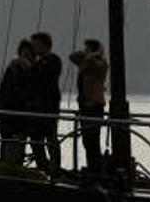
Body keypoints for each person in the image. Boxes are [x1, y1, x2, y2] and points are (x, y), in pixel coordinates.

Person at [69, 39, 108, 171]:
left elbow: (95, 65)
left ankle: (96, 168)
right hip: (85, 105)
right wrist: (88, 55)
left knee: (93, 139)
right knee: (87, 140)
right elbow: (72, 56)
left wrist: (94, 55)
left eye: (87, 49)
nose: (85, 52)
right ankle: (92, 166)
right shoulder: (86, 62)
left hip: (94, 105)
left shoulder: (100, 63)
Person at [29, 32, 63, 173]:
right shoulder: (38, 62)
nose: (33, 49)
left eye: (35, 45)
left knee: (50, 138)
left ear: (43, 45)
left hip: (48, 106)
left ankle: (54, 167)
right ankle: (42, 166)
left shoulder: (53, 60)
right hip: (38, 107)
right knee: (36, 139)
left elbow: (42, 77)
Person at [0, 41, 36, 164]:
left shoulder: (24, 69)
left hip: (17, 117)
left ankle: (10, 166)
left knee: (14, 147)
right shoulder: (16, 67)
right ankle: (9, 167)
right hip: (12, 116)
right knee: (11, 146)